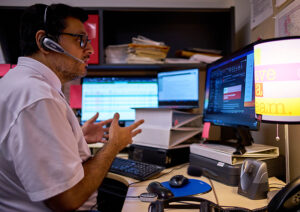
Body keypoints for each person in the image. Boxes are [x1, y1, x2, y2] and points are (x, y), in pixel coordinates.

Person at [0, 3, 144, 212]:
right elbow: (67, 200)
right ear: (45, 42)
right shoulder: (38, 99)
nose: (90, 50)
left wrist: (77, 137)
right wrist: (114, 145)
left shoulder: (16, 81)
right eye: (81, 40)